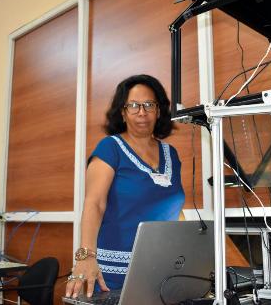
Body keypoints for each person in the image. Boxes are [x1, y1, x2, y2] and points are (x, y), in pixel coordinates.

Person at [65, 74, 185, 299]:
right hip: (113, 276)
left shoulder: (171, 154)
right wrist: (85, 257)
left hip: (163, 271)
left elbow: (175, 210)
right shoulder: (110, 148)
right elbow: (95, 204)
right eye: (133, 105)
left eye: (149, 104)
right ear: (122, 111)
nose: (142, 112)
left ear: (159, 110)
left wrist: (188, 251)